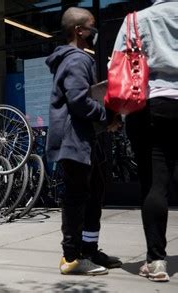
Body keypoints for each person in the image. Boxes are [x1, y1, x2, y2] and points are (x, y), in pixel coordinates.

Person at [45, 7, 122, 275]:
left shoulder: (74, 58)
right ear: (79, 30)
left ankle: (89, 249)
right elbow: (78, 102)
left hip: (84, 137)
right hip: (74, 138)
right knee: (77, 197)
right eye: (92, 26)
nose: (95, 31)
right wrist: (108, 116)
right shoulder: (77, 60)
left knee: (94, 192)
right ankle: (71, 258)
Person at [111, 0, 178, 282]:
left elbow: (115, 64)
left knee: (154, 183)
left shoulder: (135, 20)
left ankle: (157, 261)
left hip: (151, 104)